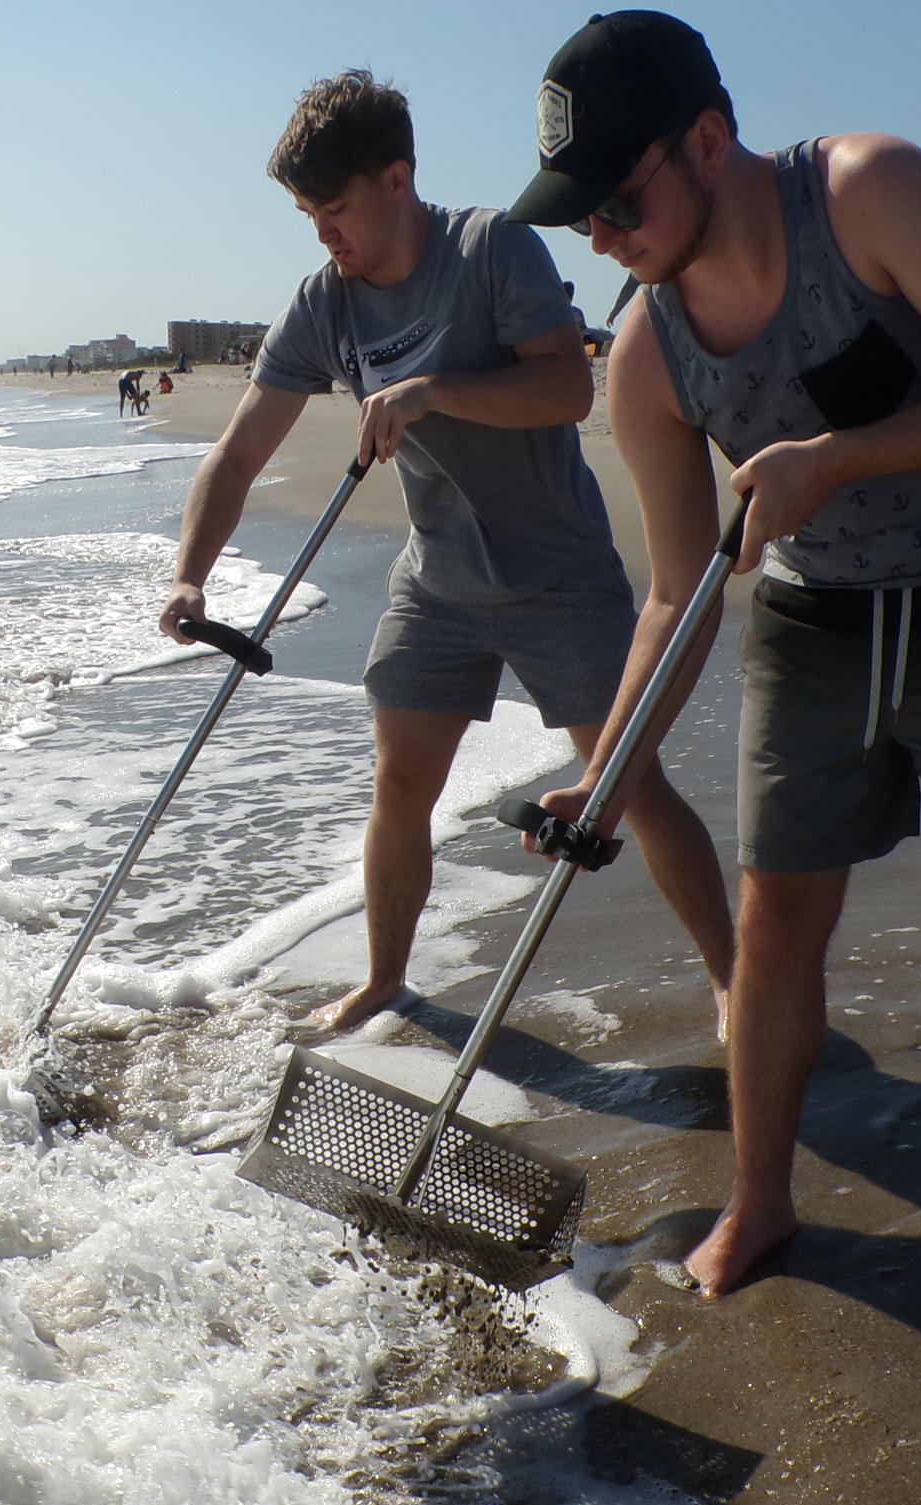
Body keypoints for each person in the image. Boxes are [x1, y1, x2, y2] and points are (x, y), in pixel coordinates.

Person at [507, 10, 921, 1278]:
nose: (601, 238)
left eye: (614, 201)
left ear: (707, 140)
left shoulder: (870, 194)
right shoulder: (648, 359)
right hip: (815, 617)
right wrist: (602, 772)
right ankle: (758, 1197)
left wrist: (840, 459)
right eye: (579, 222)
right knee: (771, 922)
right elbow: (676, 590)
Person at [158, 68, 735, 1034]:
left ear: (397, 178)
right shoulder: (323, 304)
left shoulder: (489, 247)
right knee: (399, 784)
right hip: (438, 583)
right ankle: (387, 978)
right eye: (307, 214)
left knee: (629, 782)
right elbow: (238, 451)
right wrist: (191, 573)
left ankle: (733, 980)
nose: (323, 234)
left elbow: (564, 391)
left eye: (334, 208)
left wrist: (431, 390)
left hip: (559, 576)